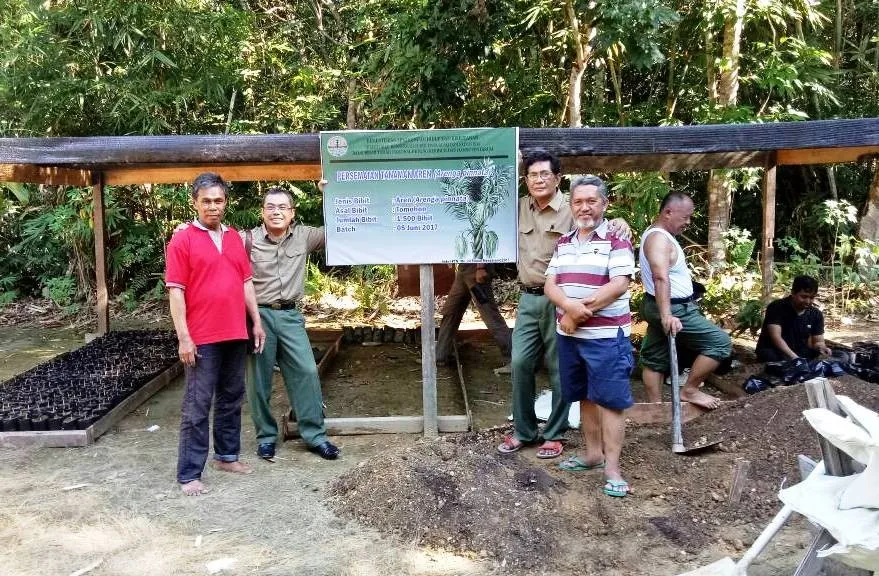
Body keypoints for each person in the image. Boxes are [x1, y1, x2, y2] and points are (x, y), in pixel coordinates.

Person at [497, 150, 630, 458]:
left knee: (560, 369)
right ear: (525, 179)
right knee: (520, 363)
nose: (539, 180)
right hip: (529, 297)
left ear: (557, 179)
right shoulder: (517, 209)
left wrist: (621, 221)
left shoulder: (573, 208)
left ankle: (554, 433)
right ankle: (524, 430)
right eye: (532, 175)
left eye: (545, 174)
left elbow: (604, 224)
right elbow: (485, 201)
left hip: (564, 301)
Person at [165, 172, 266, 496]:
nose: (213, 206)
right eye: (206, 201)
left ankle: (226, 456)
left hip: (235, 332)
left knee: (231, 398)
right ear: (194, 202)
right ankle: (189, 473)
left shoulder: (235, 237)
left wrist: (256, 322)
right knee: (197, 404)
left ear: (226, 202)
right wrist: (184, 337)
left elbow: (246, 283)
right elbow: (176, 292)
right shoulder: (183, 240)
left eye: (218, 200)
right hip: (202, 336)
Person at [544, 175, 635, 497]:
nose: (585, 207)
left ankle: (612, 468)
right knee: (584, 396)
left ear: (604, 204)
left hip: (607, 337)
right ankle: (593, 454)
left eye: (591, 201)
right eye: (578, 201)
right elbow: (550, 284)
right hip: (571, 337)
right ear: (571, 206)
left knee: (610, 401)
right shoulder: (564, 242)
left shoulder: (617, 240)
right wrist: (568, 307)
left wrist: (577, 313)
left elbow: (619, 284)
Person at [244, 186, 340, 461]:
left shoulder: (304, 236)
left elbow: (340, 226)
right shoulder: (245, 239)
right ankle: (266, 437)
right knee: (258, 381)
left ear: (292, 213)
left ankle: (315, 436)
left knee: (307, 372)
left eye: (282, 207)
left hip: (290, 316)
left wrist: (326, 194)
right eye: (271, 207)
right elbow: (213, 241)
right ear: (262, 212)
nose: (276, 212)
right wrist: (186, 229)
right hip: (257, 316)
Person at [639, 192, 731, 410]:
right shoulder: (659, 239)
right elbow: (660, 277)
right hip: (673, 307)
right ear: (668, 212)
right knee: (720, 343)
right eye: (685, 217)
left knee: (655, 356)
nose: (688, 222)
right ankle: (689, 389)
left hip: (660, 304)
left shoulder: (658, 235)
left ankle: (656, 407)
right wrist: (667, 315)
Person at [436, 263, 512, 370]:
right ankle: (440, 356)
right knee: (451, 312)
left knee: (490, 316)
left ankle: (514, 360)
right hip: (464, 268)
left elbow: (481, 245)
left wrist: (480, 267)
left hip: (475, 272)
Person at [755, 275, 831, 362]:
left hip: (800, 352)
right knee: (769, 356)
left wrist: (822, 348)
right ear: (793, 293)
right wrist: (795, 358)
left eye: (811, 297)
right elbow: (776, 337)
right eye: (804, 297)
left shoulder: (816, 314)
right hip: (777, 351)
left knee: (842, 356)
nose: (808, 301)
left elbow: (818, 341)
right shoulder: (777, 307)